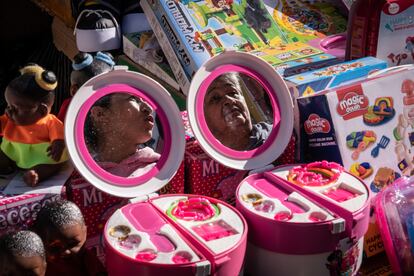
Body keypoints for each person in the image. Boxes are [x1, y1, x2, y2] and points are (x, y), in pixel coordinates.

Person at [0, 64, 68, 186]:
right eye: (8, 105)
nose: (10, 110)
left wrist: (58, 143)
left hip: (40, 157)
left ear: (42, 111)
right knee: (2, 154)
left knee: (52, 164)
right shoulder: (11, 117)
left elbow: (59, 136)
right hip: (15, 152)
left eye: (16, 108)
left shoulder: (49, 121)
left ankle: (35, 174)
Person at [84, 92, 160, 177]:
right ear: (100, 114)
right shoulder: (76, 176)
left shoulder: (164, 171)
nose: (149, 108)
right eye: (133, 99)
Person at [32, 200, 106, 276]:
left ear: (85, 232)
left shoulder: (89, 261)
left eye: (73, 244)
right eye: (55, 247)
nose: (66, 252)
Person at [203, 72, 273, 151]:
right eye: (215, 98)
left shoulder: (279, 135)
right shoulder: (197, 158)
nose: (229, 100)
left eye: (232, 92)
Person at [57, 51, 115, 122]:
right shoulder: (69, 110)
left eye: (108, 89)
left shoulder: (112, 104)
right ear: (74, 91)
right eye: (96, 91)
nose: (103, 95)